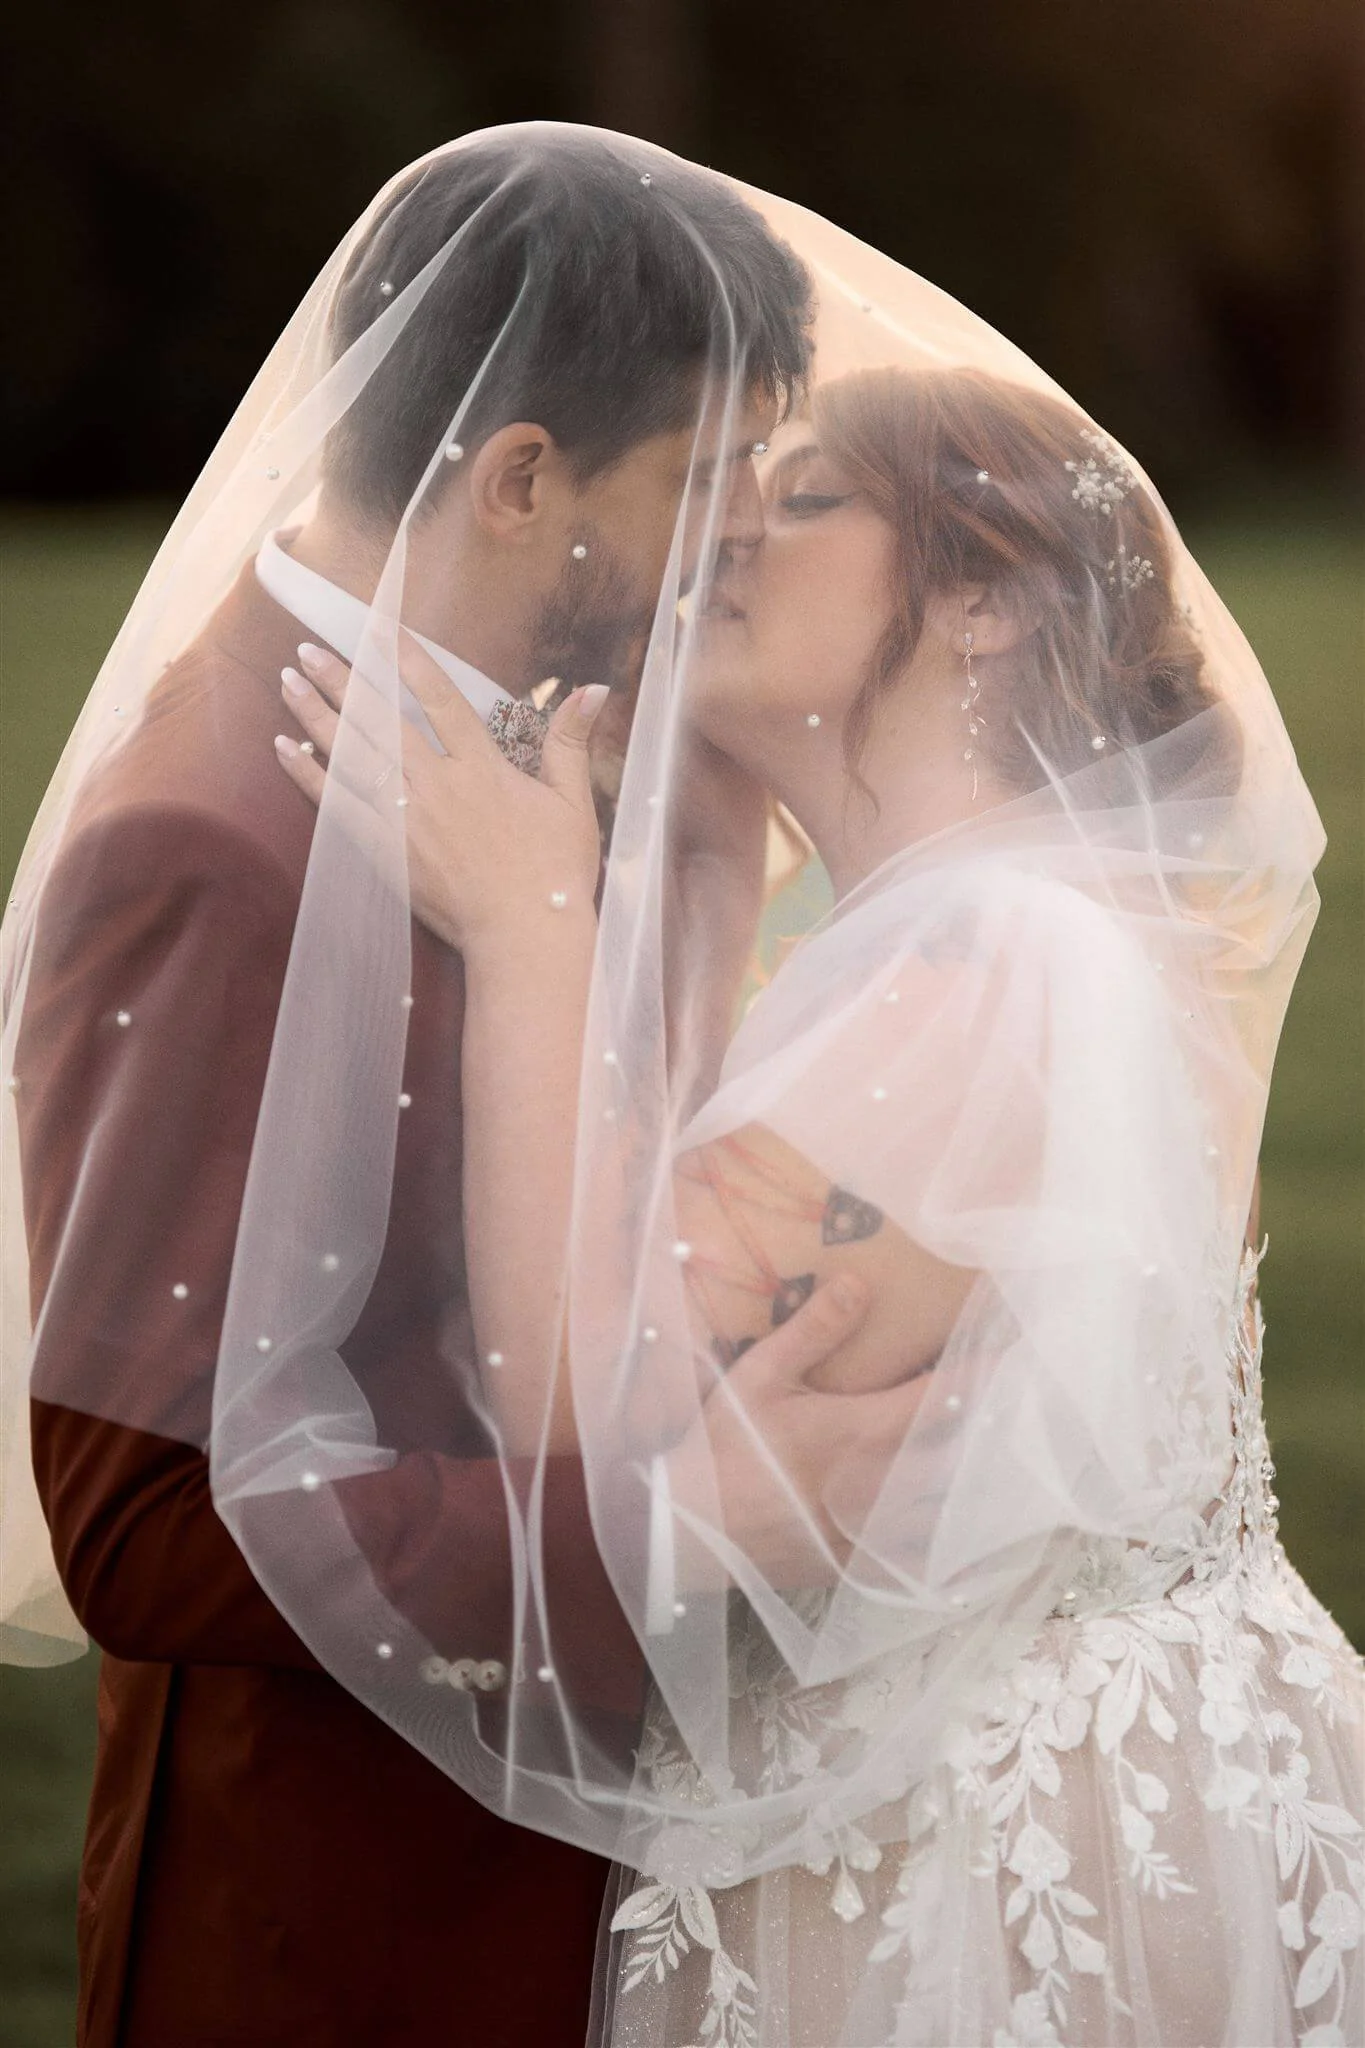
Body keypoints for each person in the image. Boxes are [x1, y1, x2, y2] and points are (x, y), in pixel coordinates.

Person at [277, 356, 1363, 2042]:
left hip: (1003, 1862)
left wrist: (530, 924)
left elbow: (577, 1394)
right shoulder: (968, 931)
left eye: (804, 501)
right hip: (1042, 1782)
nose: (723, 535)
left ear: (987, 599)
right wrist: (713, 876)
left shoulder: (989, 957)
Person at [0, 128, 933, 2048]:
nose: (736, 537)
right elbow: (138, 1518)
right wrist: (662, 1537)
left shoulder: (566, 742)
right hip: (353, 1921)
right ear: (519, 481)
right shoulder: (205, 840)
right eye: (699, 480)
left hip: (596, 1865)